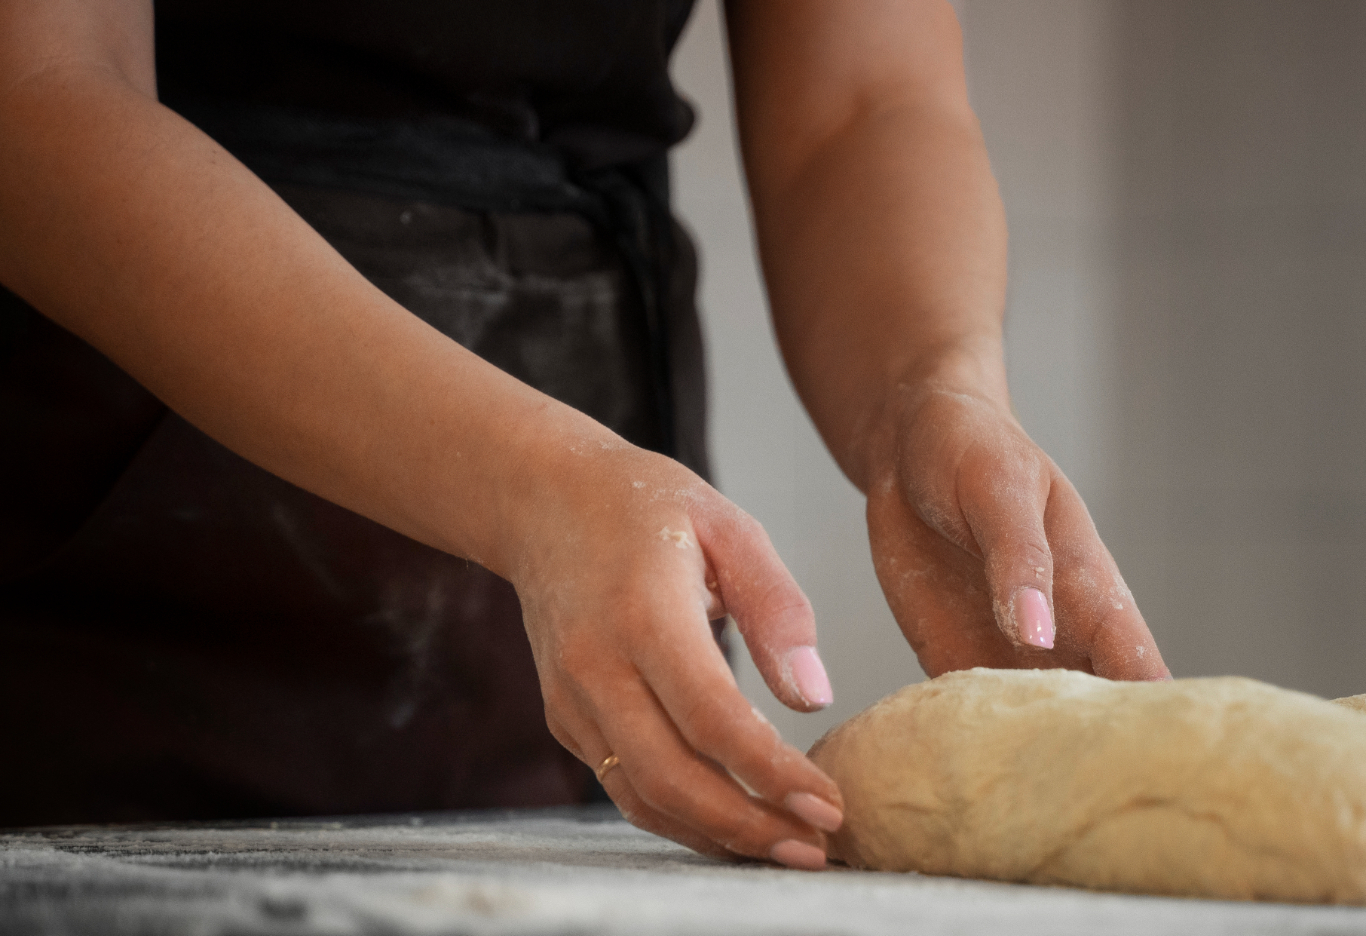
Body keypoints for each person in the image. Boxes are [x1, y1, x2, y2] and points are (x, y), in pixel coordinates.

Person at [0, 0, 1166, 864]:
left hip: (606, 519)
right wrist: (536, 484)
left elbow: (863, 103)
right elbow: (39, 97)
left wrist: (932, 383)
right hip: (149, 490)